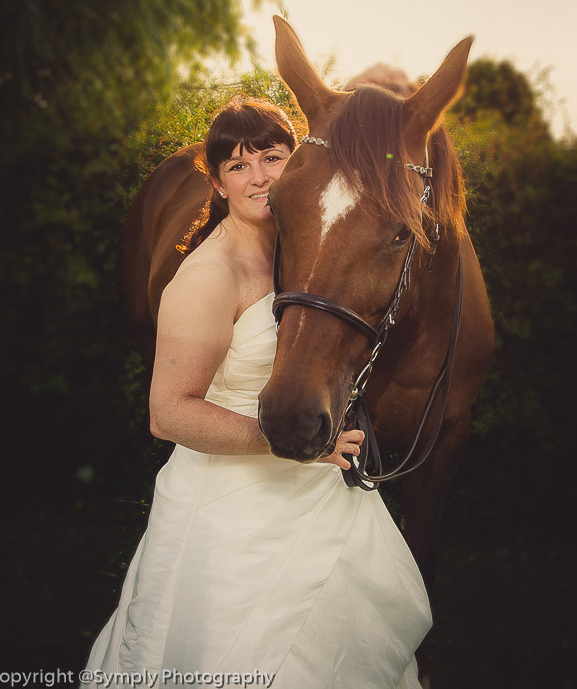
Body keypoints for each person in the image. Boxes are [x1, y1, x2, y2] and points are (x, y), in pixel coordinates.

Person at [82, 91, 431, 689]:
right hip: (231, 514)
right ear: (217, 184)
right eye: (238, 167)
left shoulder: (303, 249)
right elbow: (167, 414)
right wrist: (292, 445)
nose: (259, 177)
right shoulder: (207, 278)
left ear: (298, 163)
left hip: (319, 497)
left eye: (272, 157)